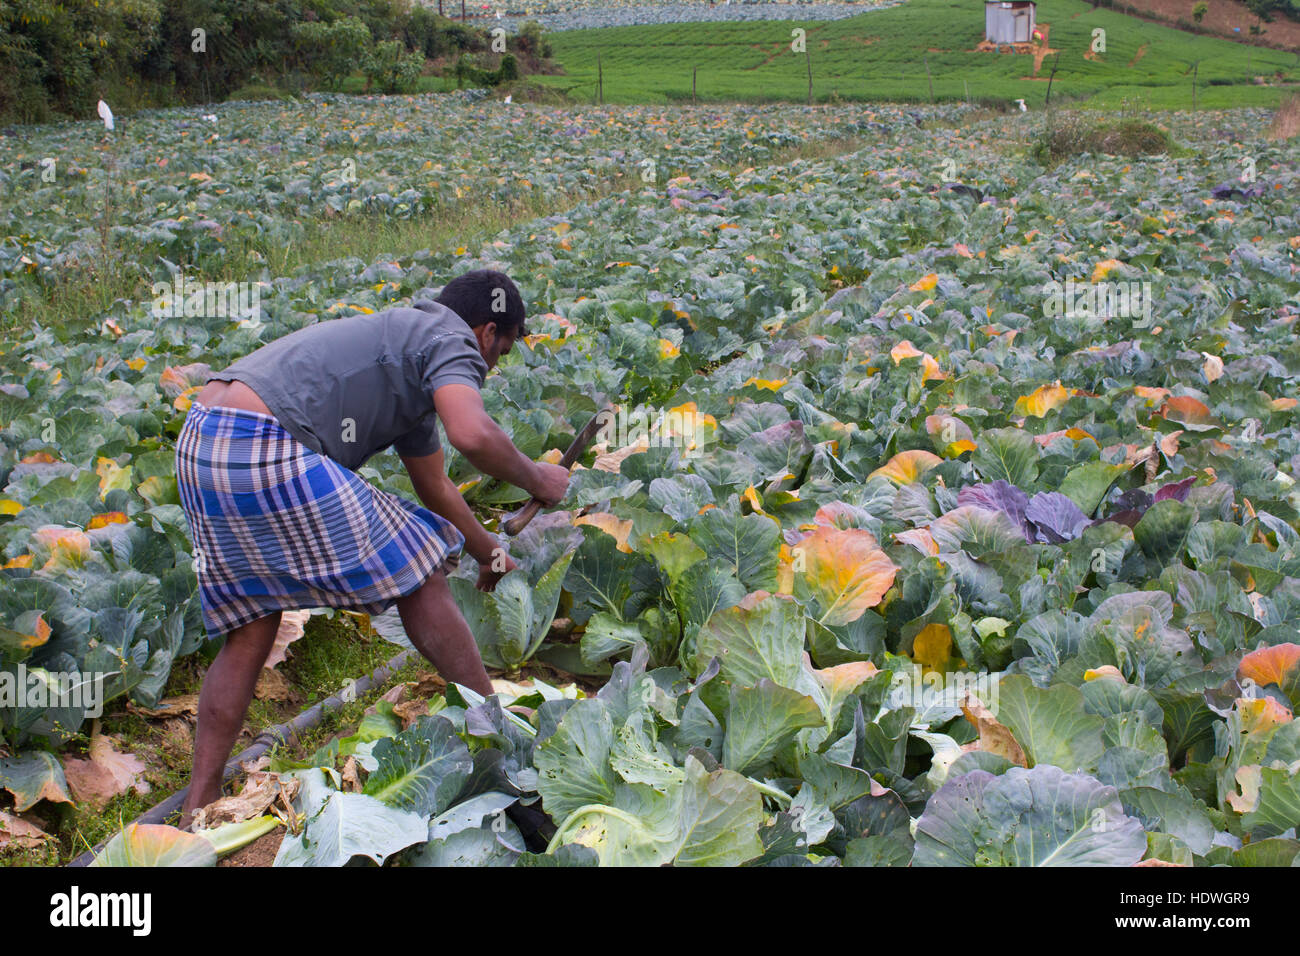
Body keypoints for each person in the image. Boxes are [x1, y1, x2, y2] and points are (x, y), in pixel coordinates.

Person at [173, 269, 569, 827]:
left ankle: (199, 804)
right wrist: (537, 478)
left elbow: (435, 487)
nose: (491, 366)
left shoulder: (406, 346)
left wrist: (490, 554)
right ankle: (496, 734)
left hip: (202, 439)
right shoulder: (450, 340)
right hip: (263, 441)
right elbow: (473, 434)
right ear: (486, 331)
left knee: (254, 624)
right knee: (421, 572)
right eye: (500, 351)